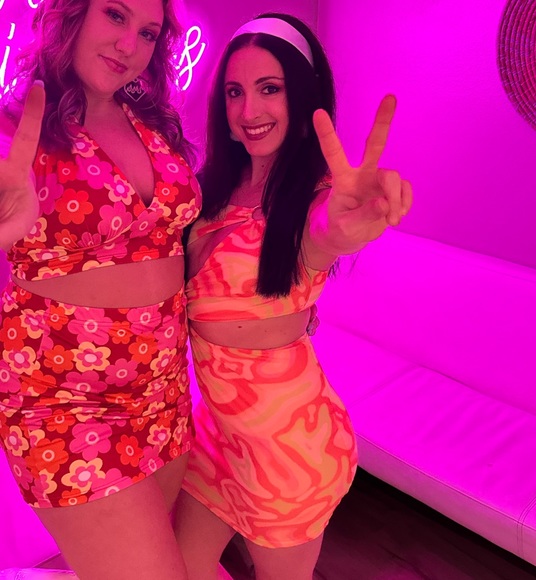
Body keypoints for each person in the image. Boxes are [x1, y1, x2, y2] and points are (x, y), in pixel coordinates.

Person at [174, 13, 413, 580]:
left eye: (270, 89)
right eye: (235, 92)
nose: (248, 110)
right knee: (173, 569)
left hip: (288, 452)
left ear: (303, 98)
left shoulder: (313, 200)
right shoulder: (211, 190)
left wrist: (352, 221)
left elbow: (328, 230)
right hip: (217, 434)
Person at [0, 1, 202, 578]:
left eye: (148, 32)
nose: (129, 45)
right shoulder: (16, 130)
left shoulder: (154, 122)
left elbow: (175, 245)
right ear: (72, 14)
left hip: (163, 391)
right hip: (64, 403)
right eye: (115, 15)